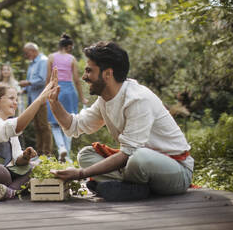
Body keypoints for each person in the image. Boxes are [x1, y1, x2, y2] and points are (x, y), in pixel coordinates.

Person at [49, 41, 194, 201]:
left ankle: (125, 187)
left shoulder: (137, 99)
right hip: (135, 165)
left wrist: (80, 174)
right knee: (86, 155)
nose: (84, 77)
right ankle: (134, 188)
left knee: (139, 158)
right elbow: (75, 125)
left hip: (176, 172)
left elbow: (128, 154)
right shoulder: (105, 99)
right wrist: (54, 103)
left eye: (89, 71)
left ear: (107, 74)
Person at [0, 69, 57, 201]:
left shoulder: (9, 128)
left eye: (16, 99)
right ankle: (14, 188)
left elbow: (17, 160)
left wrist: (25, 156)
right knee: (0, 172)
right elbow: (18, 125)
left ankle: (8, 191)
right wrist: (40, 99)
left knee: (34, 167)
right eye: (11, 98)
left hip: (0, 179)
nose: (15, 102)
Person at [46, 34, 88, 162]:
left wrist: (45, 95)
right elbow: (76, 79)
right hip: (70, 91)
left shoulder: (51, 58)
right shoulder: (72, 59)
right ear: (69, 46)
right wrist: (82, 97)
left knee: (54, 124)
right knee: (70, 122)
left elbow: (48, 78)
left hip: (55, 90)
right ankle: (68, 156)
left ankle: (61, 148)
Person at [19, 42, 52, 156]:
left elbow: (42, 80)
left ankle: (47, 153)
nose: (26, 55)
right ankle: (39, 152)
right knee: (37, 126)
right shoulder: (32, 63)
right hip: (32, 99)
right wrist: (24, 89)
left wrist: (27, 82)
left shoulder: (43, 60)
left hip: (41, 99)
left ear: (33, 50)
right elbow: (31, 82)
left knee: (44, 126)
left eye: (26, 53)